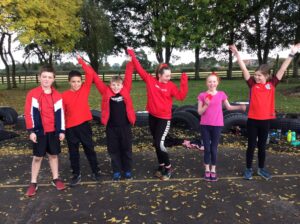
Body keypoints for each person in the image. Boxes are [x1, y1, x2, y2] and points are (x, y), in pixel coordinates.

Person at [229, 43, 300, 180]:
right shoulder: (252, 85)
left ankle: (261, 169)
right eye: (255, 75)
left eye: (259, 75)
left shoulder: (272, 84)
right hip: (252, 120)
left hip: (265, 121)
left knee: (262, 146)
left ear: (267, 76)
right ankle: (248, 169)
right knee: (251, 146)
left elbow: (283, 68)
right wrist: (237, 54)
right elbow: (244, 69)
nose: (256, 77)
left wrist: (292, 53)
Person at [127, 48, 188, 180]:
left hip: (164, 119)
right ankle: (161, 166)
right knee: (156, 143)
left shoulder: (171, 86)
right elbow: (139, 68)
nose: (169, 78)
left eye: (170, 76)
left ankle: (168, 167)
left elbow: (181, 96)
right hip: (153, 117)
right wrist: (132, 55)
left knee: (160, 143)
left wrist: (184, 81)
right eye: (166, 76)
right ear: (159, 75)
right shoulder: (150, 81)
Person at [79, 56, 136, 181]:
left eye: (118, 85)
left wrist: (131, 58)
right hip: (111, 127)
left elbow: (129, 73)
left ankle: (127, 171)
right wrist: (82, 62)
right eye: (114, 85)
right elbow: (94, 76)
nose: (116, 87)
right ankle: (116, 171)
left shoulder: (125, 89)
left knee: (126, 149)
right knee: (113, 150)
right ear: (110, 85)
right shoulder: (105, 91)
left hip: (125, 126)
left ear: (122, 85)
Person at [24, 65, 66, 197]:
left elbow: (61, 114)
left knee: (53, 155)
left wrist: (61, 131)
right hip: (39, 132)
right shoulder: (33, 94)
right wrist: (31, 131)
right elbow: (28, 113)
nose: (46, 80)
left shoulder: (58, 96)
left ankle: (55, 179)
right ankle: (33, 182)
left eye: (49, 77)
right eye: (44, 77)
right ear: (39, 78)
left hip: (53, 132)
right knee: (38, 157)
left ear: (53, 79)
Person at [198, 72, 246, 181]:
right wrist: (206, 104)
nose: (212, 83)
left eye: (214, 81)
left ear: (217, 82)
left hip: (217, 125)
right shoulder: (202, 95)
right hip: (205, 125)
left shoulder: (221, 94)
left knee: (214, 148)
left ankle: (213, 169)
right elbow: (200, 112)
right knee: (207, 149)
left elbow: (228, 107)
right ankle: (207, 169)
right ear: (206, 83)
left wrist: (239, 107)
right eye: (210, 81)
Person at [62, 56, 101, 187]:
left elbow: (90, 73)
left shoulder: (85, 89)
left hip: (84, 126)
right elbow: (61, 113)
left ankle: (96, 171)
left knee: (89, 149)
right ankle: (76, 174)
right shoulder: (64, 96)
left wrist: (81, 61)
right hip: (70, 128)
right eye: (73, 81)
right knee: (73, 153)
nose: (76, 84)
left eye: (78, 81)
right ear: (69, 82)